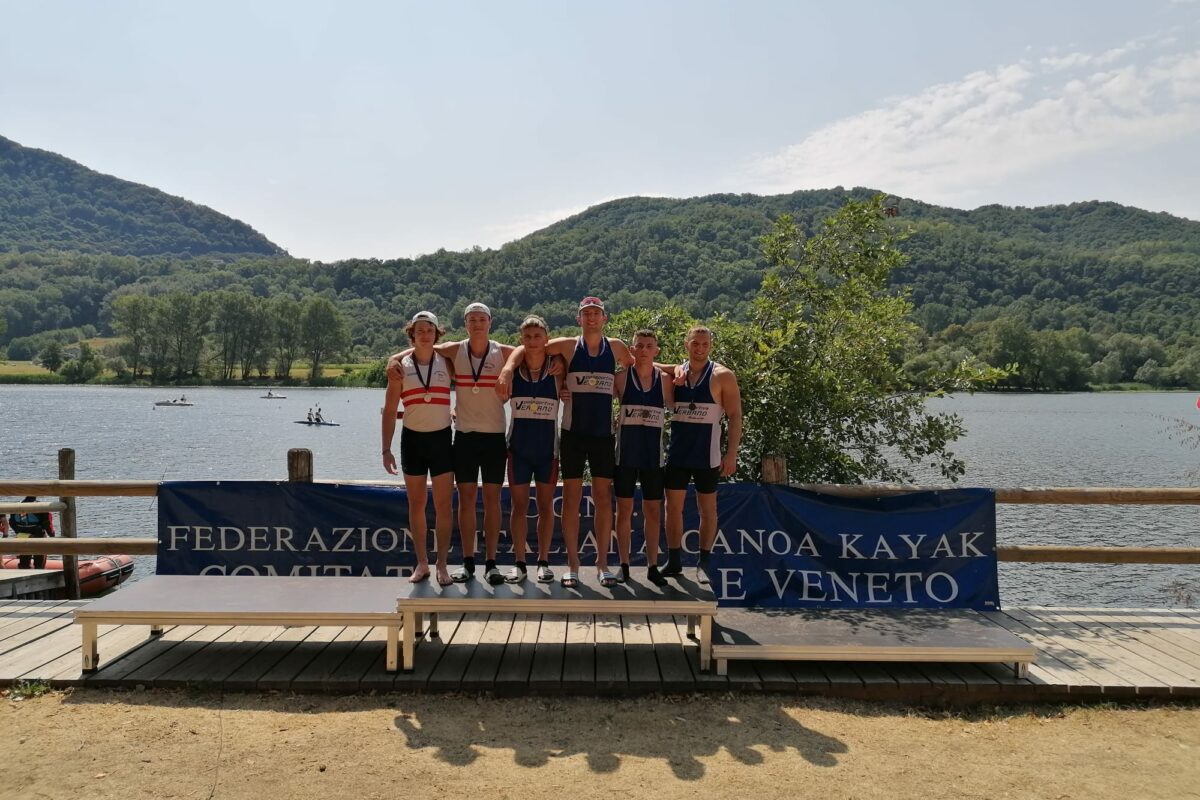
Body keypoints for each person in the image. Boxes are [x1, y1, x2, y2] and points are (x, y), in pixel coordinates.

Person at [388, 302, 536, 585]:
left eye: (482, 319)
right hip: (465, 437)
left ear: (490, 323)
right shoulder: (455, 350)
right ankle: (468, 561)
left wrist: (506, 370)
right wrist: (393, 359)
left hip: (494, 436)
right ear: (465, 324)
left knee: (492, 502)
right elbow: (421, 347)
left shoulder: (501, 351)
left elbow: (523, 350)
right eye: (472, 320)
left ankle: (490, 562)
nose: (477, 324)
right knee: (466, 502)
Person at [497, 296, 633, 588]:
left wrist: (676, 370)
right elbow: (530, 347)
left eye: (596, 313)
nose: (592, 318)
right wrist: (511, 369)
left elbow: (639, 366)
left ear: (604, 318)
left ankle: (602, 565)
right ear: (578, 319)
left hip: (603, 436)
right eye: (586, 314)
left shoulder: (617, 347)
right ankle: (572, 565)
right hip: (572, 434)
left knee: (603, 500)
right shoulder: (569, 346)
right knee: (570, 500)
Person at [663, 325, 742, 585]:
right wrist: (673, 369)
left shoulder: (722, 376)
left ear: (710, 346)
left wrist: (731, 454)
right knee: (672, 508)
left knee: (707, 510)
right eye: (695, 343)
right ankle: (674, 561)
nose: (699, 348)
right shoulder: (678, 373)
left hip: (707, 456)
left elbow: (735, 416)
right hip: (678, 454)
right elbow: (646, 364)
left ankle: (704, 562)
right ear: (686, 344)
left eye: (704, 344)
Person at [382, 311, 456, 585]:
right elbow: (390, 411)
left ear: (437, 334)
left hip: (441, 441)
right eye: (420, 330)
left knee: (444, 505)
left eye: (430, 330)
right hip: (412, 440)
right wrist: (385, 449)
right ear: (412, 334)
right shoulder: (399, 367)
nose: (425, 334)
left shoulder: (447, 363)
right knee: (417, 504)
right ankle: (422, 563)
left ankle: (442, 565)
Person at [504, 315, 562, 583]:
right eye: (527, 337)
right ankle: (519, 563)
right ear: (521, 340)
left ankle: (543, 561)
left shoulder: (559, 369)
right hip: (518, 451)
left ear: (546, 339)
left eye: (537, 336)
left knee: (545, 506)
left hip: (547, 452)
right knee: (518, 507)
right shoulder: (513, 370)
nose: (532, 341)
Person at [613, 329, 673, 586]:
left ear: (656, 351)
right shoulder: (621, 379)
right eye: (640, 346)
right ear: (633, 349)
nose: (645, 350)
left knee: (652, 511)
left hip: (653, 457)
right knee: (623, 510)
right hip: (625, 454)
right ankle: (624, 565)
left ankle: (652, 566)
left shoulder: (667, 381)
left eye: (650, 346)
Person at [10, 496, 55, 570]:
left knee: (24, 559)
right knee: (39, 560)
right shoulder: (41, 506)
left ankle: (24, 570)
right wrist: (52, 535)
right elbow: (48, 524)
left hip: (22, 535)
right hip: (37, 535)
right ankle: (39, 570)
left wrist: (18, 531)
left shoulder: (17, 505)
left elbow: (12, 522)